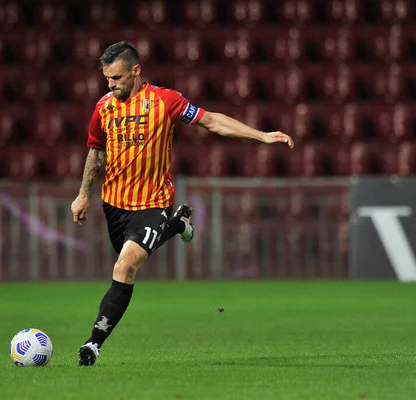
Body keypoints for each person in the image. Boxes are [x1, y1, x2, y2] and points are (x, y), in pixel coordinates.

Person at [70, 41, 294, 366]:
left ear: (136, 71)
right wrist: (82, 194)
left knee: (125, 266)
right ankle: (176, 223)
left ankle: (93, 344)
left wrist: (260, 135)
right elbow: (96, 150)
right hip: (114, 206)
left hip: (152, 203)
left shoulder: (165, 101)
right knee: (124, 262)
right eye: (107, 79)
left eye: (117, 78)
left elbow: (211, 120)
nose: (111, 85)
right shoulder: (103, 107)